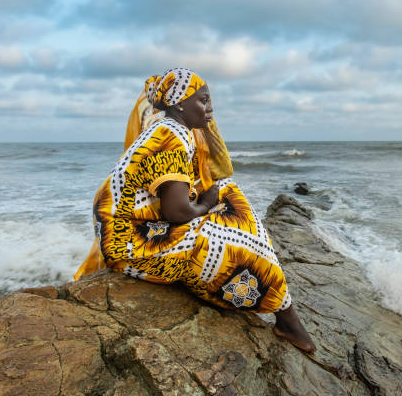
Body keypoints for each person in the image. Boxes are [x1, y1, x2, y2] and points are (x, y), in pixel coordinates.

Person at [74, 68, 316, 353]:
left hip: (142, 224)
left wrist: (210, 199)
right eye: (203, 100)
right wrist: (205, 204)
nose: (210, 108)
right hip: (130, 242)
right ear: (180, 104)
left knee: (228, 193)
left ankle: (266, 278)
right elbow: (177, 212)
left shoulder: (173, 128)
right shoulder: (169, 137)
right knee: (228, 245)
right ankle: (283, 313)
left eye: (210, 100)